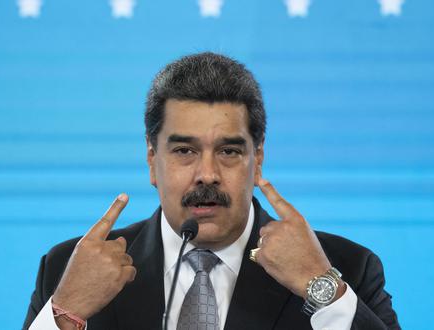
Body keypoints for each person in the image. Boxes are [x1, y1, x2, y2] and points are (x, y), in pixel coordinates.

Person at [23, 52, 400, 330]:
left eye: (229, 151)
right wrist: (64, 313)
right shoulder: (68, 271)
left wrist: (324, 291)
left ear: (259, 159)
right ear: (152, 160)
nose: (207, 174)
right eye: (184, 151)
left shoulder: (345, 268)